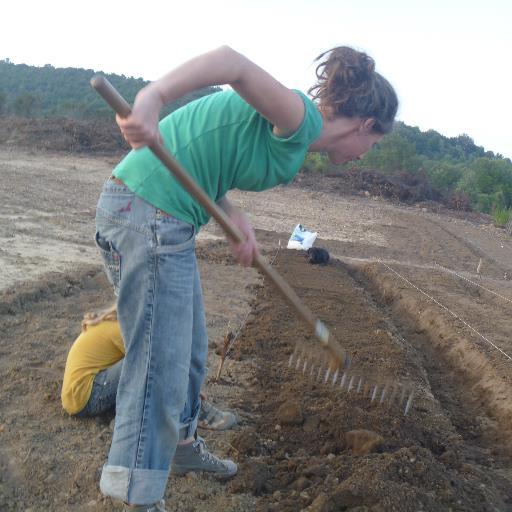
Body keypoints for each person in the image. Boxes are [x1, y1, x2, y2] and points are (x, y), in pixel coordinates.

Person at [94, 45, 398, 511]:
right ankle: (137, 490)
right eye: (373, 144)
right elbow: (231, 63)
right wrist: (153, 97)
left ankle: (181, 446)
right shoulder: (300, 118)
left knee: (192, 350)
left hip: (164, 215)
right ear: (363, 125)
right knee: (161, 360)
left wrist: (235, 217)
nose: (365, 155)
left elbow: (207, 159)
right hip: (146, 212)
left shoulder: (295, 135)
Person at [61, 304, 237, 432]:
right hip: (87, 397)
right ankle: (193, 411)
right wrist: (188, 389)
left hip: (80, 394)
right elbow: (158, 365)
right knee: (150, 363)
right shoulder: (122, 328)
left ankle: (131, 414)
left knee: (148, 363)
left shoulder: (118, 319)